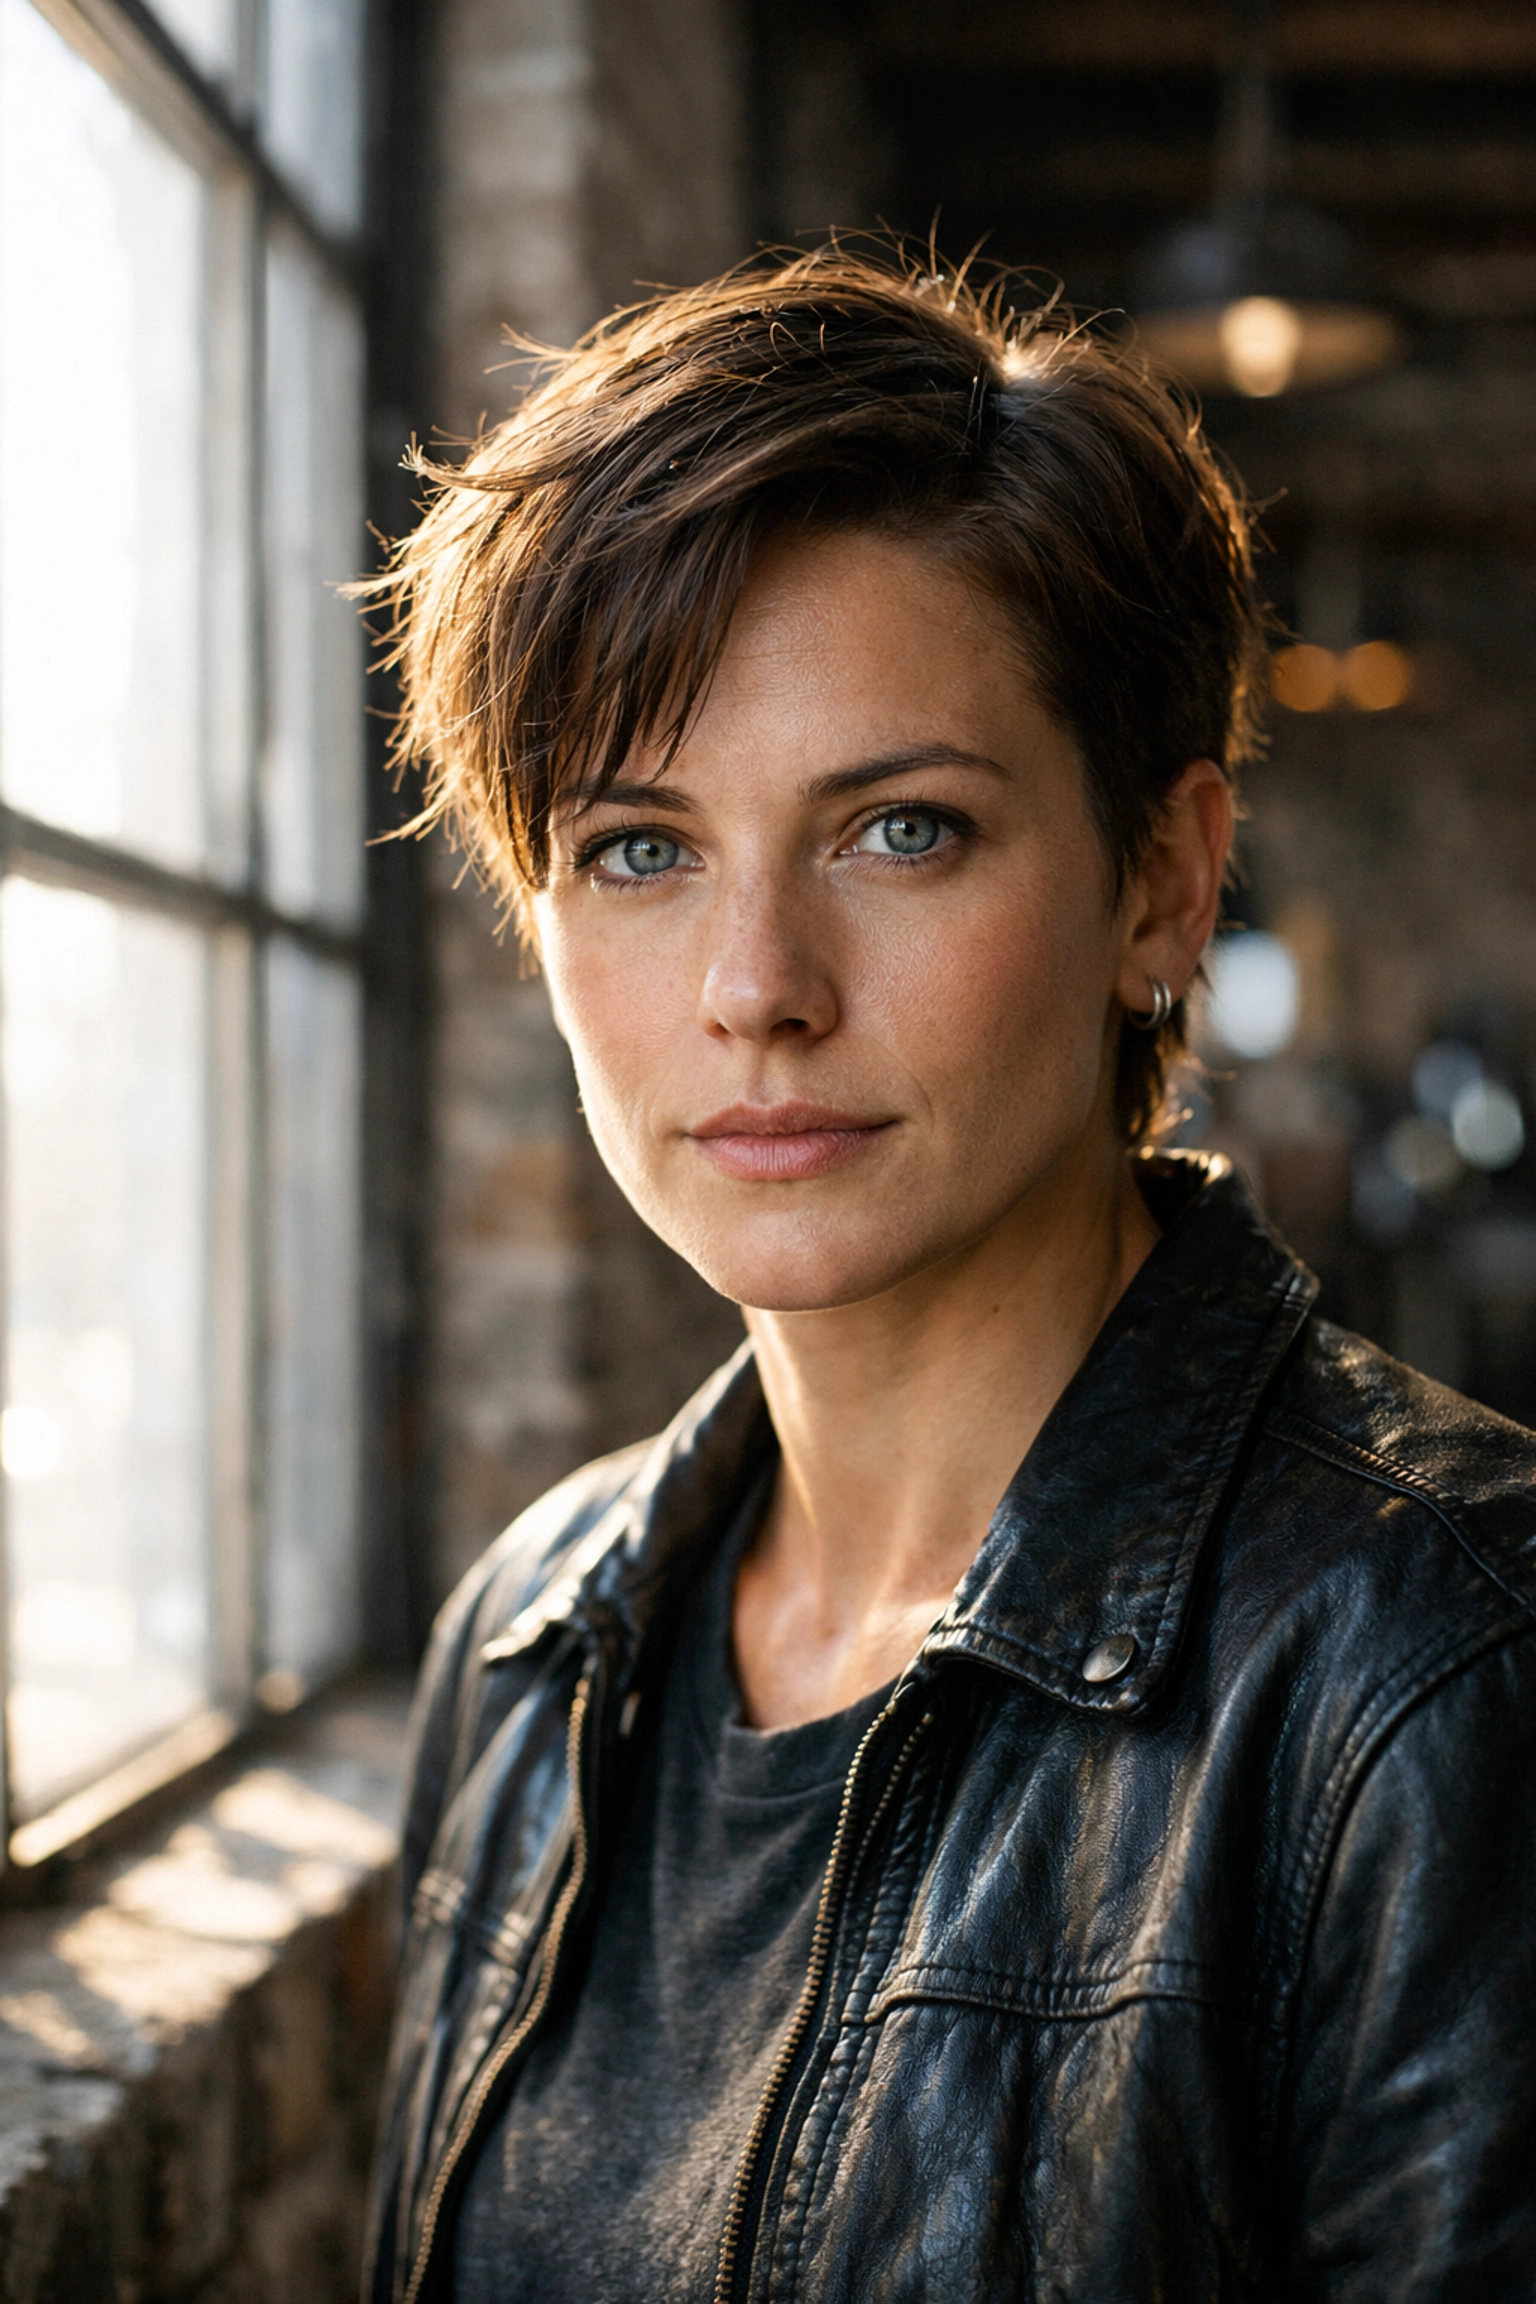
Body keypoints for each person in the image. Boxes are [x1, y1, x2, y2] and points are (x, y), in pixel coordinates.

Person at [362, 247, 1536, 2304]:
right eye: (640, 848)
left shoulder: (1439, 1669)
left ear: (1161, 883)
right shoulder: (530, 1648)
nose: (757, 989)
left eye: (899, 830)